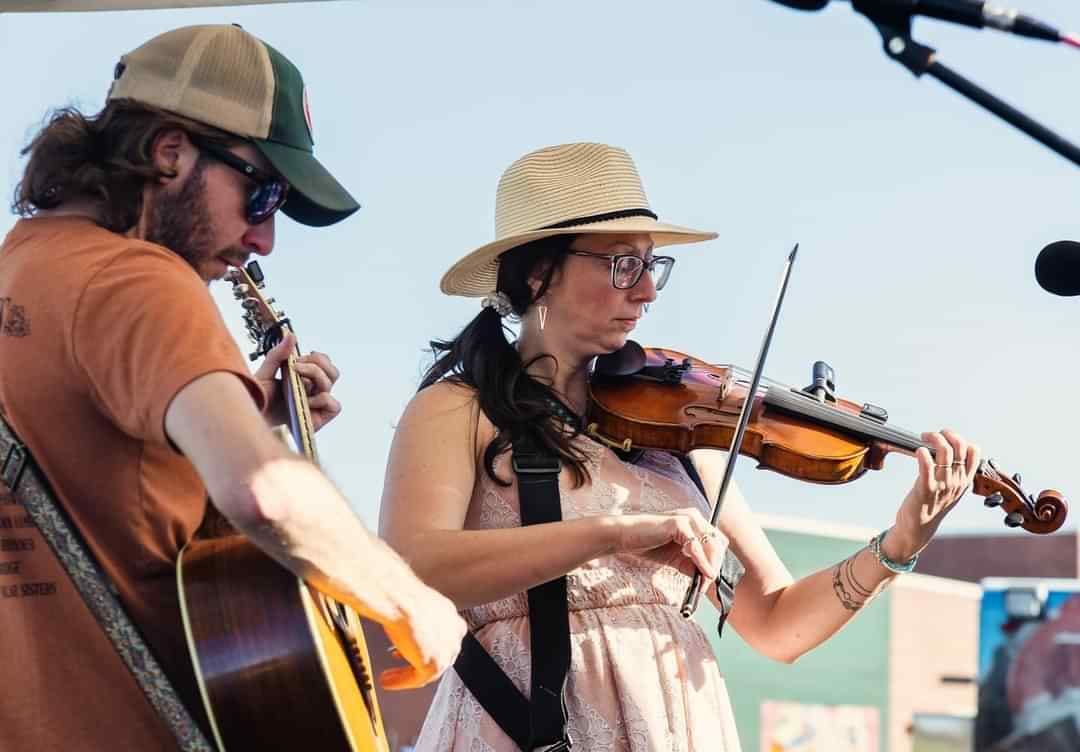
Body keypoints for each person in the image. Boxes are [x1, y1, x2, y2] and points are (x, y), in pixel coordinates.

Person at [378, 142, 980, 751]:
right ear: (539, 273)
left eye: (651, 265)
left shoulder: (684, 439)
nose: (647, 293)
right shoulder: (460, 408)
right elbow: (411, 568)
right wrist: (612, 533)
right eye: (622, 265)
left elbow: (777, 626)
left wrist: (901, 543)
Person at [0, 24, 464, 750]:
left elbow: (94, 482)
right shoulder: (139, 279)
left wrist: (244, 409)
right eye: (263, 194)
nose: (265, 239)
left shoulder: (22, 271)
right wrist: (409, 599)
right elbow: (264, 492)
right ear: (170, 151)